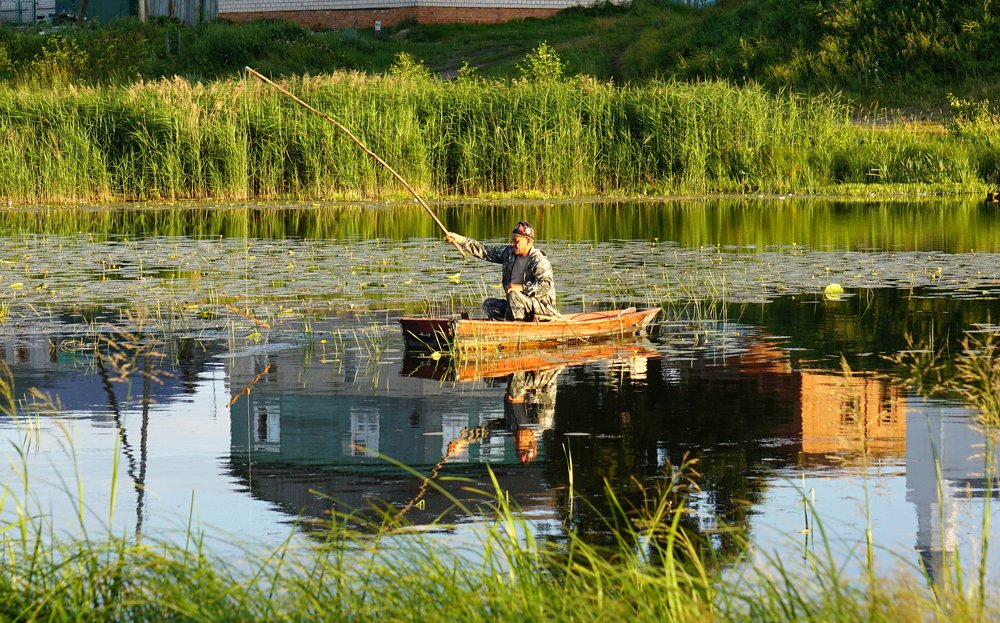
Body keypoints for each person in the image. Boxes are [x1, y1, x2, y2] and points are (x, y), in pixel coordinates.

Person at [445, 221, 557, 321]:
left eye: (516, 241)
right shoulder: (509, 253)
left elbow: (546, 285)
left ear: (528, 241)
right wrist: (460, 240)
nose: (512, 244)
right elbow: (485, 251)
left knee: (514, 295)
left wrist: (521, 287)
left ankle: (512, 327)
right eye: (512, 240)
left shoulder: (539, 260)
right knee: (489, 304)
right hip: (516, 306)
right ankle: (507, 324)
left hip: (542, 307)